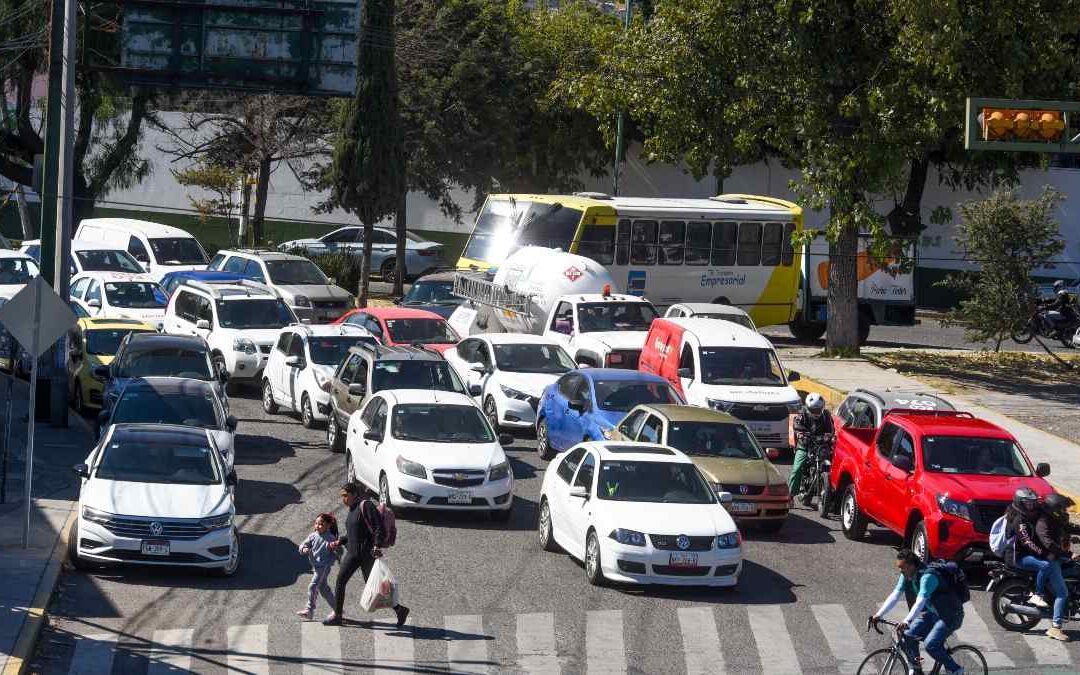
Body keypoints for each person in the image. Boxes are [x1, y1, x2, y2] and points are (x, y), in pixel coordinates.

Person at [324, 483, 409, 627]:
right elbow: (354, 534)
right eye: (342, 496)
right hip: (353, 553)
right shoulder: (352, 510)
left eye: (345, 495)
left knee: (377, 587)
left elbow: (378, 527)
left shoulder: (366, 505)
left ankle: (399, 609)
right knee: (340, 581)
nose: (343, 499)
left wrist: (377, 545)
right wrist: (341, 541)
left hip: (366, 554)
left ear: (354, 494)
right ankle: (338, 616)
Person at [871, 549, 965, 675]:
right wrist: (878, 615)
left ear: (911, 565)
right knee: (907, 635)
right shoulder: (907, 574)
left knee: (931, 645)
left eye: (902, 568)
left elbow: (920, 602)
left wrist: (906, 621)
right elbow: (895, 595)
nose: (900, 571)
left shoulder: (928, 577)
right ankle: (916, 670)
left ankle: (956, 670)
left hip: (950, 615)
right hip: (933, 613)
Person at [1014, 491, 1080, 641]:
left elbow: (1070, 527)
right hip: (1051, 559)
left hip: (1057, 556)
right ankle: (1055, 628)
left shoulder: (1054, 520)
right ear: (1055, 510)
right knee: (1062, 593)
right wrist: (1068, 554)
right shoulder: (1042, 524)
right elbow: (1049, 544)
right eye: (1063, 509)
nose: (1065, 512)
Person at [787, 392, 835, 499]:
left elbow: (831, 429)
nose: (816, 412)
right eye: (813, 409)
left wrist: (828, 436)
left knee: (834, 464)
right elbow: (797, 425)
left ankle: (834, 496)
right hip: (805, 445)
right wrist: (802, 434)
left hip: (821, 446)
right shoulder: (802, 413)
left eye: (818, 409)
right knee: (797, 468)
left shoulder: (826, 415)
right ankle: (790, 495)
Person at [296, 513, 340, 621]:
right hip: (316, 566)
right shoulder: (313, 536)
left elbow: (338, 552)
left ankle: (309, 610)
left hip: (324, 567)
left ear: (328, 526)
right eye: (316, 523)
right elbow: (302, 545)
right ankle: (338, 609)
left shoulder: (331, 538)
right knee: (324, 589)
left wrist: (334, 549)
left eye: (321, 524)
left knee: (313, 586)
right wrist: (304, 549)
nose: (317, 526)